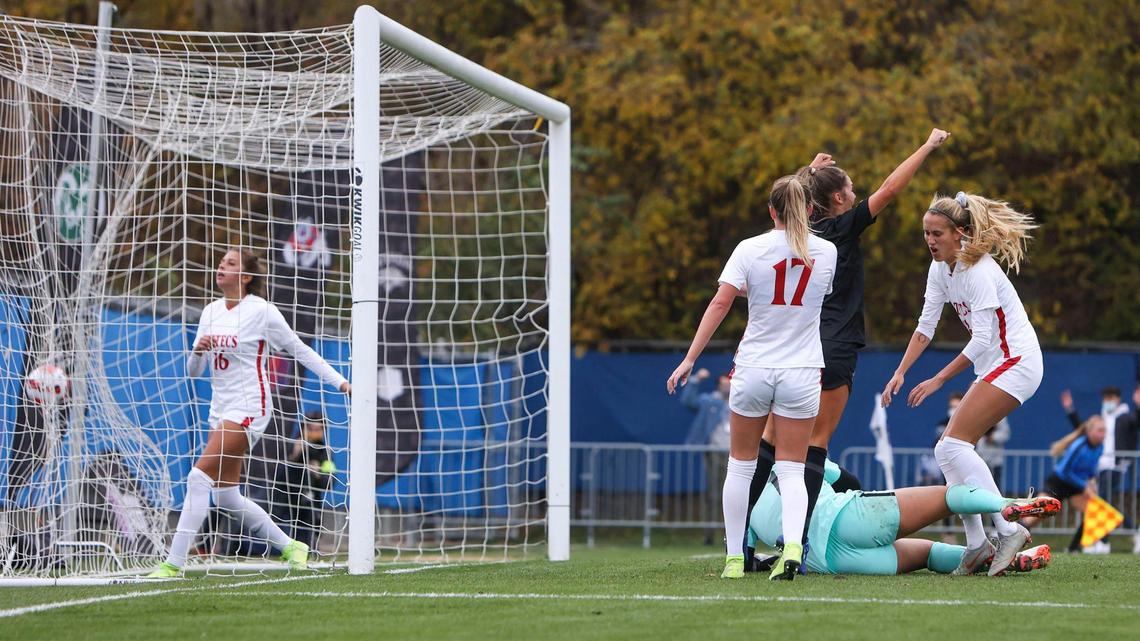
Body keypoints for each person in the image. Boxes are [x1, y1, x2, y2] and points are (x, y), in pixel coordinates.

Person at [743, 129, 951, 566]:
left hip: (794, 347)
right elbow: (893, 188)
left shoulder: (800, 233)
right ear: (838, 200)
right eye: (851, 189)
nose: (857, 193)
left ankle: (741, 544)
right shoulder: (842, 228)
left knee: (768, 444)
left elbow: (791, 197)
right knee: (814, 447)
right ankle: (795, 549)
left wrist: (810, 173)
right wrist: (928, 146)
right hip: (834, 345)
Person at [667, 175, 837, 580]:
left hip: (755, 368)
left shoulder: (749, 248)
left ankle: (733, 559)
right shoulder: (827, 251)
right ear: (811, 210)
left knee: (740, 467)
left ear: (770, 210)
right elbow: (805, 291)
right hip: (801, 371)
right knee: (793, 469)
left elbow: (722, 300)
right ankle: (793, 546)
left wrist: (690, 359)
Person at [147, 248, 350, 578]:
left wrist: (341, 382)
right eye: (221, 262)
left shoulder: (262, 312)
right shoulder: (210, 311)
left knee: (198, 477)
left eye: (230, 263)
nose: (220, 266)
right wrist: (198, 351)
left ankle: (173, 563)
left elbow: (300, 349)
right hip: (220, 410)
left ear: (246, 276)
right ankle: (290, 546)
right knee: (225, 495)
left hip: (250, 407)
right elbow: (195, 371)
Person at [881, 190, 1041, 576]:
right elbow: (925, 328)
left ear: (961, 233)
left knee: (952, 445)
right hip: (996, 365)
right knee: (947, 451)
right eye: (926, 233)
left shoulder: (980, 270)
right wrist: (901, 371)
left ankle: (1006, 528)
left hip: (1017, 361)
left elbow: (983, 340)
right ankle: (976, 544)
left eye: (937, 233)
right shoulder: (940, 271)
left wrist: (937, 379)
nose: (931, 241)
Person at [748, 461, 1059, 576]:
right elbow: (850, 481)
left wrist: (764, 558)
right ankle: (1007, 505)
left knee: (927, 554)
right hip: (845, 518)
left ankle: (999, 560)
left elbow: (746, 556)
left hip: (832, 563)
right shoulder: (787, 457)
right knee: (947, 497)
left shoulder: (741, 502)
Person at [1061, 386, 1139, 553]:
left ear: (1118, 399)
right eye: (1105, 398)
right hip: (1101, 466)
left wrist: (1138, 405)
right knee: (1102, 503)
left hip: (1115, 465)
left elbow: (1136, 422)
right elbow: (1085, 429)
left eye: (1111, 397)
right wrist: (1070, 410)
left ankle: (1105, 540)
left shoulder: (1125, 417)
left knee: (1102, 502)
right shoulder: (1103, 418)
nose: (1108, 401)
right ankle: (1099, 541)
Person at [1018, 415, 1105, 553]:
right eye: (1100, 430)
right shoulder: (1079, 445)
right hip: (1058, 483)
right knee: (1035, 516)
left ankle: (1073, 549)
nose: (1103, 434)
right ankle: (1008, 535)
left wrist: (1092, 480)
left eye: (1104, 431)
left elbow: (1091, 469)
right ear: (1089, 431)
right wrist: (1084, 486)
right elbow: (1065, 471)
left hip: (1075, 486)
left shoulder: (1100, 447)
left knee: (1093, 511)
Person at [679, 368, 731, 545]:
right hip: (715, 453)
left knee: (733, 496)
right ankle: (709, 534)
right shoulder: (710, 401)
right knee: (714, 495)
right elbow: (688, 400)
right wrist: (695, 380)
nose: (728, 388)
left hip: (735, 455)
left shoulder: (739, 402)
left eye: (730, 383)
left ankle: (733, 535)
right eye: (725, 384)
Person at [279, 411, 336, 549]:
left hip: (310, 504)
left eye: (318, 429)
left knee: (309, 531)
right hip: (284, 503)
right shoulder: (291, 446)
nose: (314, 432)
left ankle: (310, 546)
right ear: (303, 428)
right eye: (310, 429)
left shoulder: (326, 453)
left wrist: (318, 474)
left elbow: (330, 482)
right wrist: (295, 456)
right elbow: (279, 475)